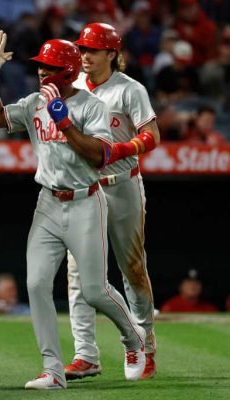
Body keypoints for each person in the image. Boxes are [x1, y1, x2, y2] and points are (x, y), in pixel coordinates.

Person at [0, 33, 146, 390]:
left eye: (51, 68)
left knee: (94, 290)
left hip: (87, 201)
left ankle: (134, 340)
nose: (42, 73)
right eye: (40, 66)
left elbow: (100, 155)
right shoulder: (34, 102)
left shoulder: (90, 106)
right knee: (36, 284)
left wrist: (66, 123)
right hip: (47, 203)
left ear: (68, 73)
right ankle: (52, 371)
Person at [64, 22, 161, 383]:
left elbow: (152, 134)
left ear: (111, 54)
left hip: (122, 185)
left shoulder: (129, 89)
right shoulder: (70, 87)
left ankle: (145, 346)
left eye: (92, 49)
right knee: (78, 274)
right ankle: (85, 355)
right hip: (84, 187)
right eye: (82, 49)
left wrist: (124, 148)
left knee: (132, 268)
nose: (85, 55)